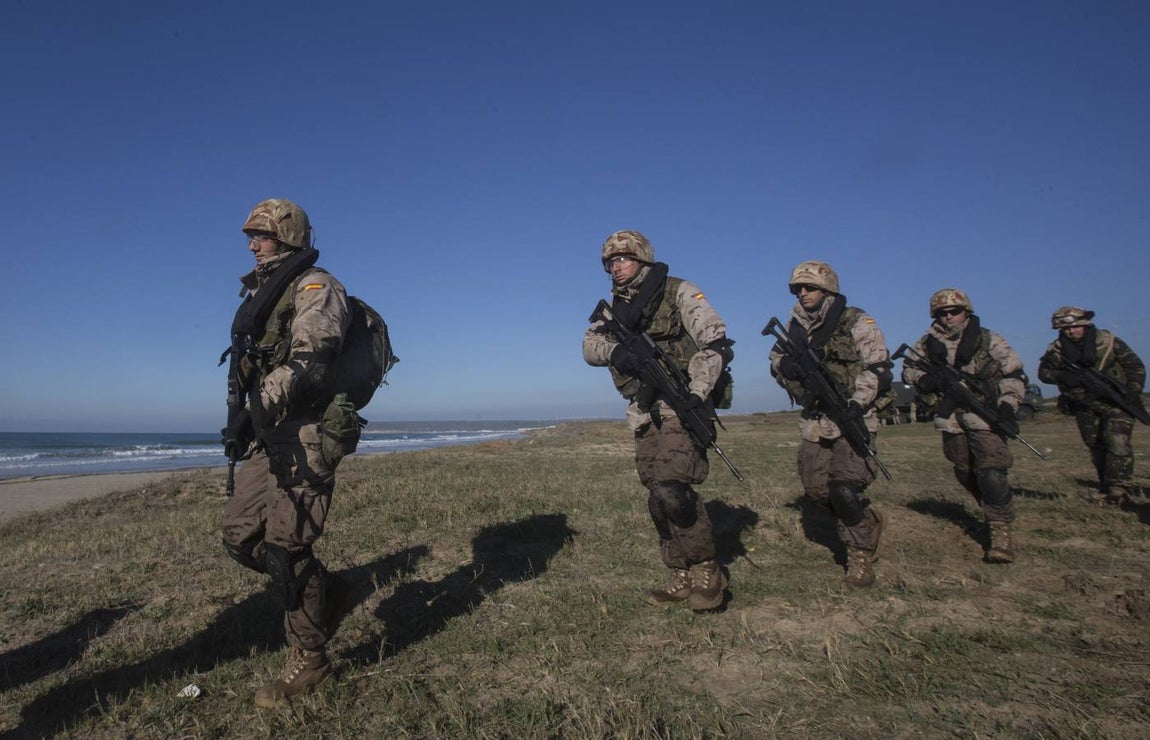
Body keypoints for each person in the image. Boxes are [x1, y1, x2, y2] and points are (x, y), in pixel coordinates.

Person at [220, 198, 352, 708]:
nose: (253, 244)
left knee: (287, 547)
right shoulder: (259, 294)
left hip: (309, 431)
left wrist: (259, 404)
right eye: (250, 236)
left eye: (263, 235)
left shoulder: (316, 285)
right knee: (238, 536)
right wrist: (242, 421)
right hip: (268, 433)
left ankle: (311, 658)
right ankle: (320, 590)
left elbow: (312, 354)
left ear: (289, 237)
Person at [583, 230, 733, 611]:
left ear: (643, 259)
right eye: (610, 262)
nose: (616, 266)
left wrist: (697, 394)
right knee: (656, 496)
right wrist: (618, 352)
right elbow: (589, 347)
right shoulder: (614, 308)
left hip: (682, 403)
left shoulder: (679, 292)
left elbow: (715, 344)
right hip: (644, 411)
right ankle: (679, 571)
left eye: (623, 259)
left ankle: (706, 570)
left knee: (673, 489)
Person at [769, 261, 891, 588]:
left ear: (828, 290)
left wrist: (857, 402)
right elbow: (776, 360)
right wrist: (789, 368)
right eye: (798, 289)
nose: (803, 293)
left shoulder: (856, 321)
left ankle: (860, 554)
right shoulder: (794, 327)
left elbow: (878, 365)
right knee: (816, 491)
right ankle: (864, 519)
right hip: (815, 420)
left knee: (844, 489)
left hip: (853, 415)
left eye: (809, 288)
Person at [901, 289, 1026, 563]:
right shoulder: (926, 343)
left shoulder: (988, 339)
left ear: (966, 311)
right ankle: (990, 510)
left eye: (954, 311)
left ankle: (1000, 533)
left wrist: (1007, 405)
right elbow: (908, 369)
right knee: (964, 470)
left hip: (985, 415)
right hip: (950, 419)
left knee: (991, 472)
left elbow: (1013, 373)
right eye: (943, 313)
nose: (949, 317)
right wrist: (925, 380)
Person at [1037, 306, 1146, 504]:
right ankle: (1106, 485)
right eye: (1066, 328)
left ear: (1085, 324)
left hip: (1115, 402)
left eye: (1076, 326)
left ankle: (1119, 488)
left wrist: (1132, 390)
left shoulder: (1107, 342)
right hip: (1084, 405)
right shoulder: (1056, 350)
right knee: (1096, 445)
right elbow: (1044, 374)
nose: (1072, 331)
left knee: (1117, 441)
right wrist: (1064, 376)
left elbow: (1135, 366)